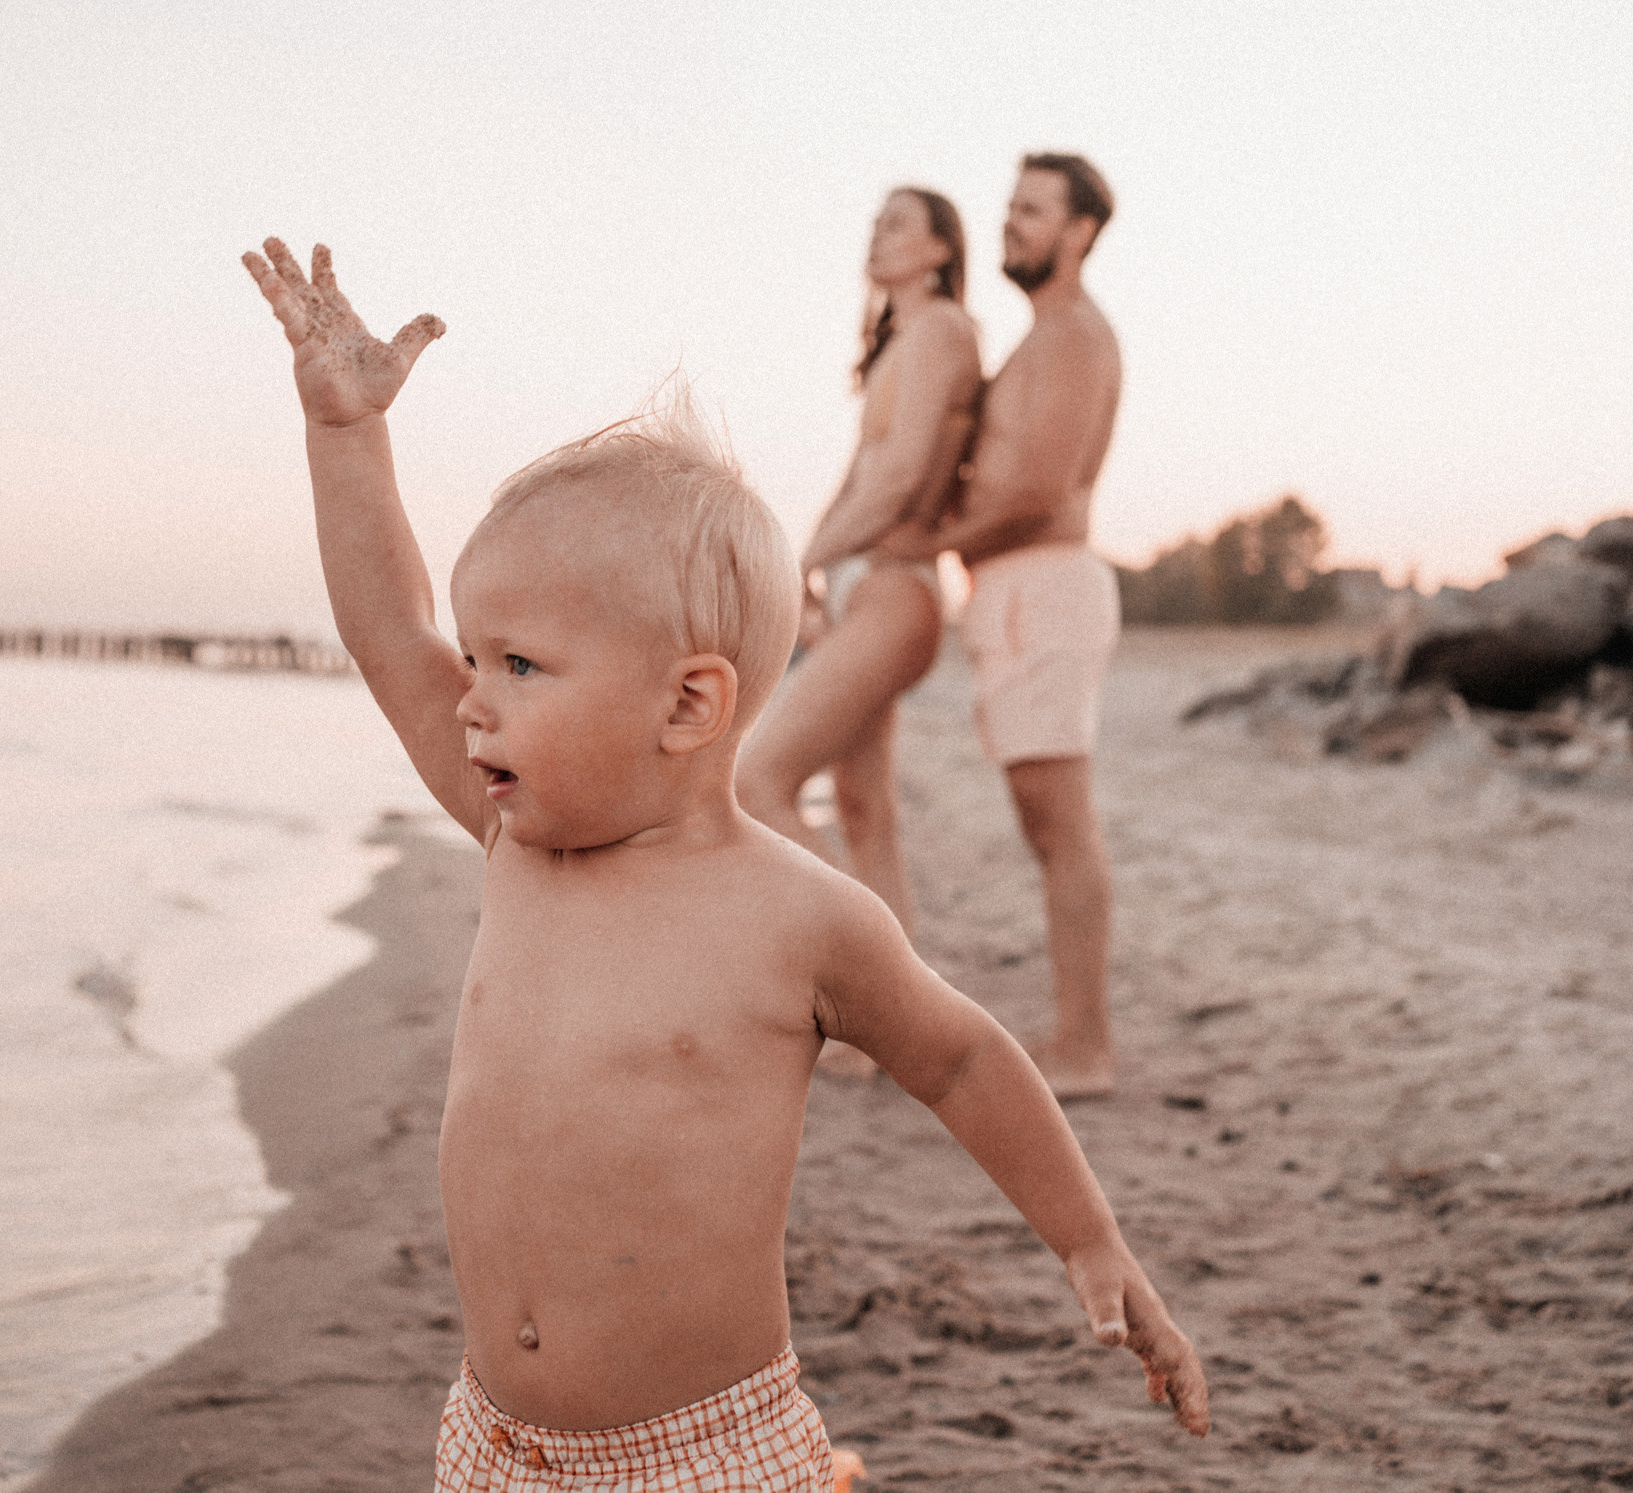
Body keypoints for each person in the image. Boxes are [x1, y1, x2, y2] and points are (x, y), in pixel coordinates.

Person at [241, 235, 1206, 1491]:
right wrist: (345, 435)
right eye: (476, 661)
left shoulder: (793, 916)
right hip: (490, 1438)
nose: (470, 703)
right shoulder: (515, 840)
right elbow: (387, 629)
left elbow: (960, 1055)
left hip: (704, 1453)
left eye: (519, 666)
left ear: (690, 704)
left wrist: (1091, 1243)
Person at [874, 152, 1126, 1100]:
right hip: (1018, 596)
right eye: (1010, 208)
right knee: (1045, 821)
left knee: (1060, 823)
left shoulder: (1072, 336)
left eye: (1033, 211)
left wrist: (927, 537)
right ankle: (1079, 1035)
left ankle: (1085, 1046)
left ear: (1080, 230)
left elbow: (1037, 488)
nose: (1011, 224)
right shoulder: (1041, 336)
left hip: (1044, 589)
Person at [738, 187, 980, 933]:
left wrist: (806, 560)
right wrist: (809, 569)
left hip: (893, 591)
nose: (876, 235)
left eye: (898, 224)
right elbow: (857, 477)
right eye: (873, 222)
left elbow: (905, 473)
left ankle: (867, 983)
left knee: (756, 782)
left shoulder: (944, 328)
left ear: (941, 248)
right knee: (862, 808)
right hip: (854, 583)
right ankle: (895, 1024)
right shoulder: (898, 343)